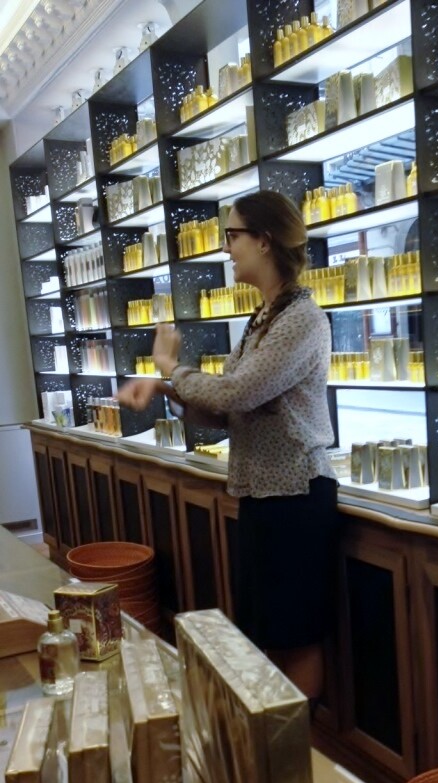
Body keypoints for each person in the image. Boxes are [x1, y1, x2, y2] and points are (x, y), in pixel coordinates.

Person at [118, 190, 338, 701]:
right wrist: (166, 389)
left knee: (296, 636)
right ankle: (271, 737)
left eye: (232, 235)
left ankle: (291, 746)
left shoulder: (303, 320)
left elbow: (237, 392)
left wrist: (172, 368)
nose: (225, 248)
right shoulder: (263, 319)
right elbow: (226, 410)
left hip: (296, 498)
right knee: (269, 633)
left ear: (264, 240)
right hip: (262, 497)